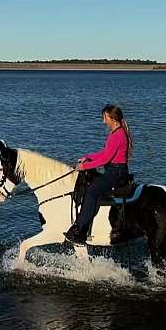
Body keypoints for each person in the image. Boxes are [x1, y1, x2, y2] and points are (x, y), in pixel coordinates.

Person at [64, 104, 134, 245]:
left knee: (92, 191)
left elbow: (106, 159)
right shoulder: (116, 133)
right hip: (114, 170)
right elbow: (105, 154)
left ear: (112, 119)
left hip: (116, 172)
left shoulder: (117, 135)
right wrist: (88, 157)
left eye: (105, 118)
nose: (103, 121)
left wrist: (84, 167)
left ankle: (79, 230)